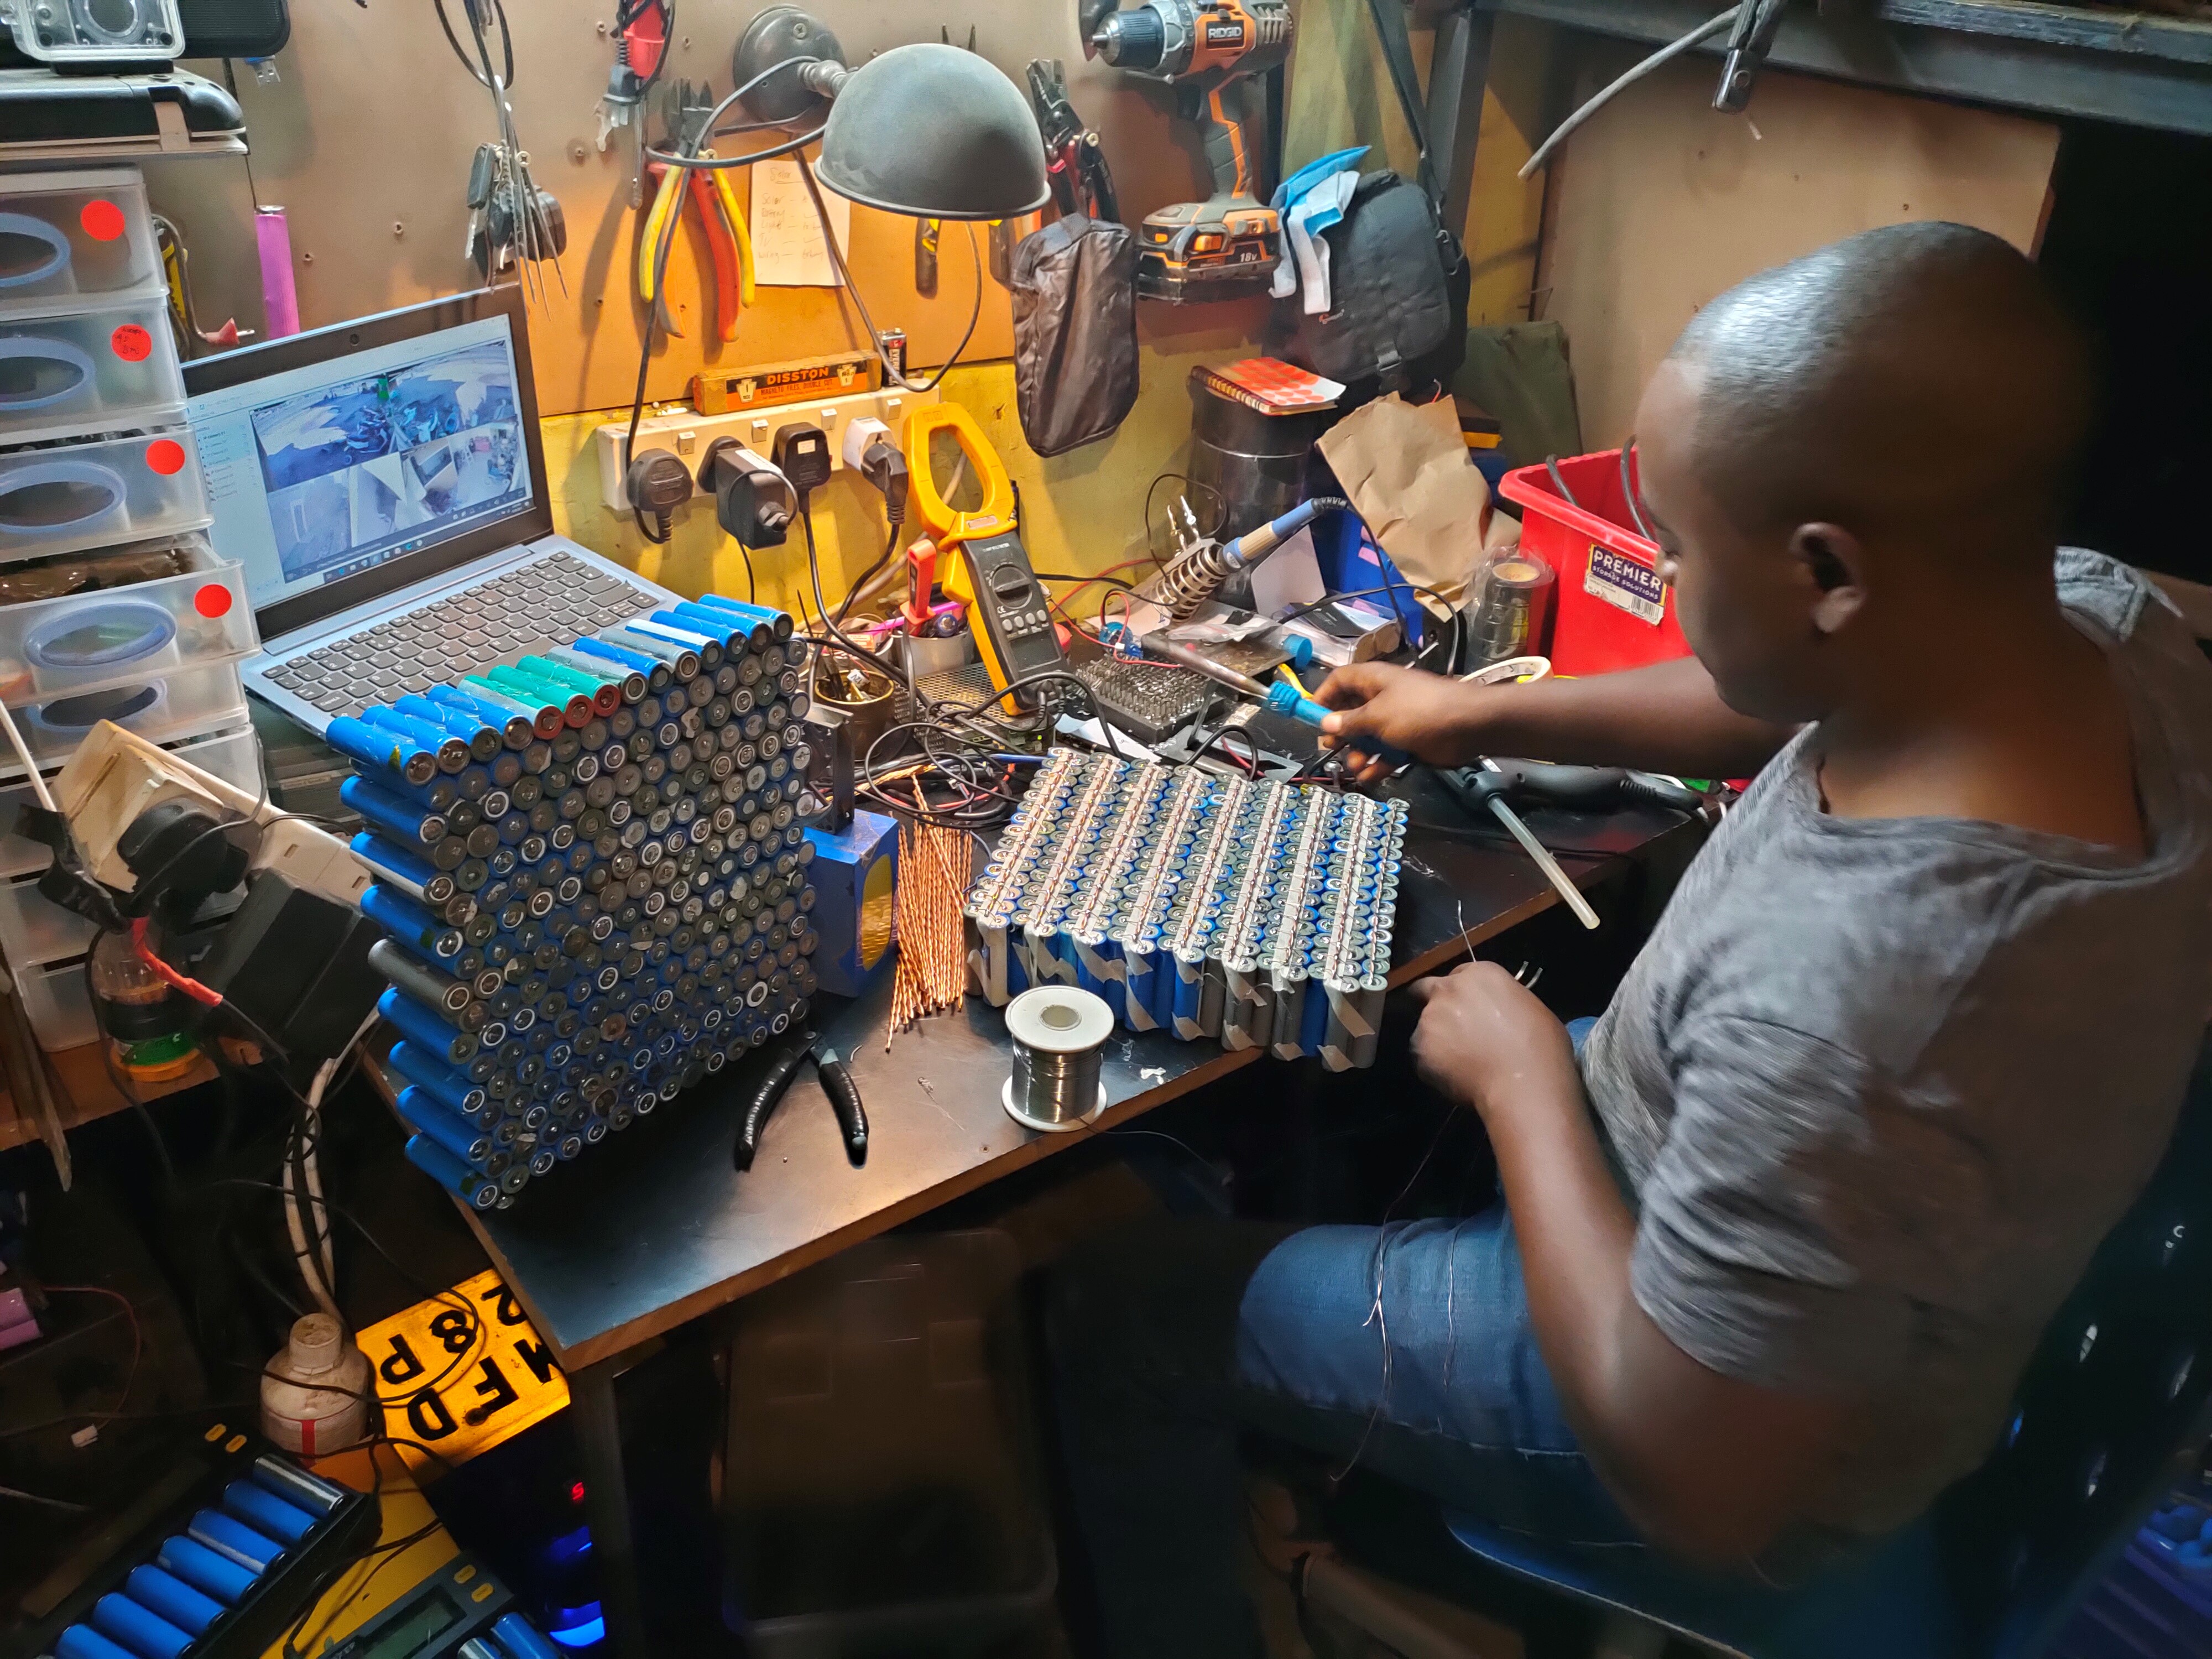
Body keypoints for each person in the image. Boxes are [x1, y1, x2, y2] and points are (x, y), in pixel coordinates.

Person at [1046, 221, 2212, 1657]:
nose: (1655, 564)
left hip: (1689, 1429)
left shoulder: (1857, 1011)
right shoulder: (2098, 624)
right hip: (1785, 1243)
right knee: (1357, 1094)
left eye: (1678, 547)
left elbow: (1693, 1483)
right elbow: (1793, 683)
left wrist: (1523, 1076)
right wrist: (1477, 712)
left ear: (1829, 574)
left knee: (1122, 1312)